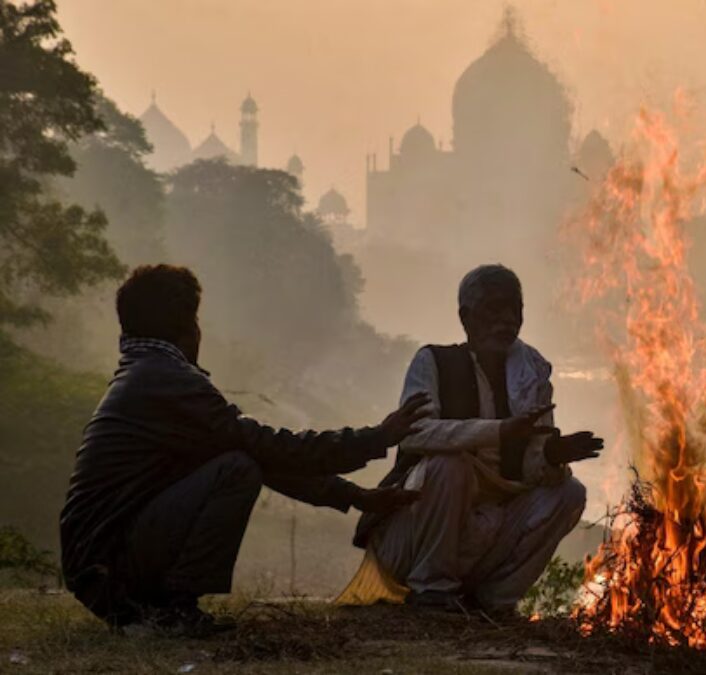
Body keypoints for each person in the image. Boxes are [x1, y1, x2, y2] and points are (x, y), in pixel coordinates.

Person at [60, 264, 431, 637]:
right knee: (236, 468)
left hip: (99, 566)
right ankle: (174, 612)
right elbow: (268, 448)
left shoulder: (146, 376)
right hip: (109, 567)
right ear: (189, 327)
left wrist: (356, 495)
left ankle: (159, 612)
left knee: (239, 461)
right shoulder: (168, 382)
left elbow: (265, 458)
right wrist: (376, 437)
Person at [339, 264, 603, 613]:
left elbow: (532, 468)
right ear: (466, 318)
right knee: (450, 464)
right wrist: (498, 430)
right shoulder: (432, 362)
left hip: (486, 530)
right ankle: (431, 591)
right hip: (412, 537)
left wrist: (553, 454)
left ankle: (495, 601)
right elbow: (416, 434)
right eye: (495, 309)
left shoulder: (531, 376)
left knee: (569, 492)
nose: (507, 321)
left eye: (515, 310)